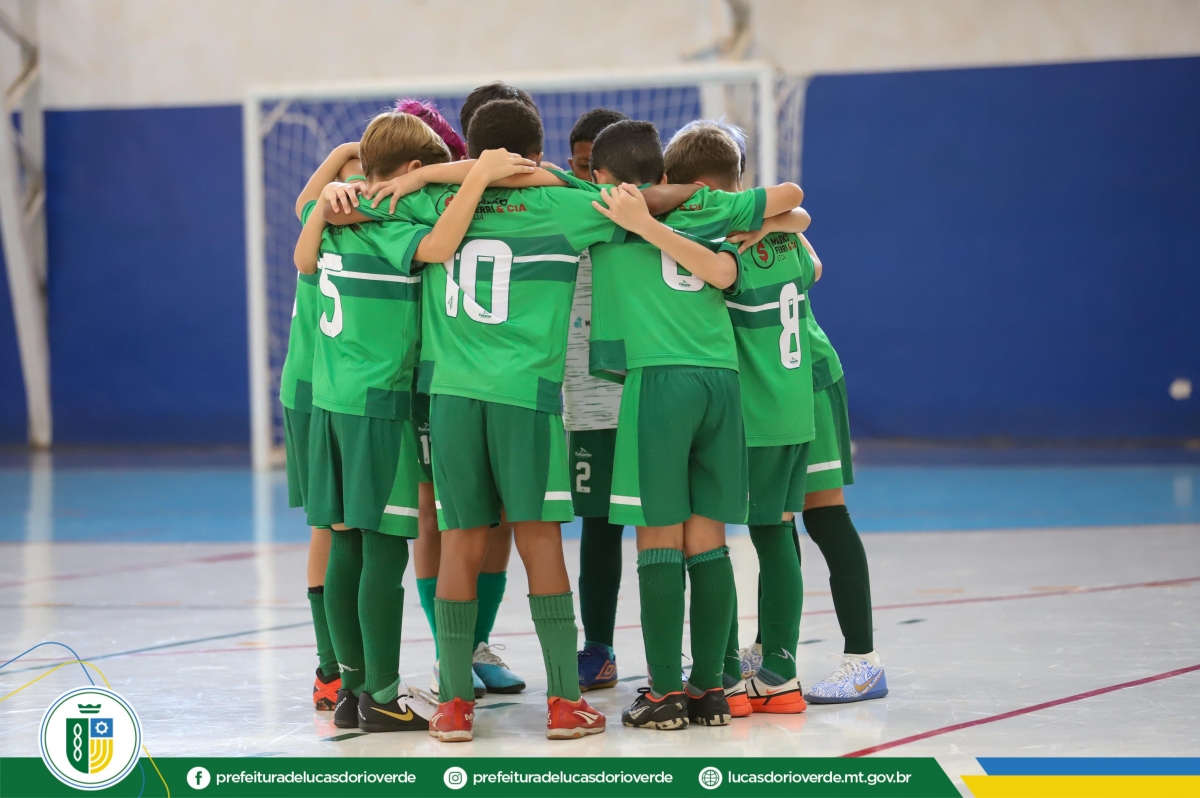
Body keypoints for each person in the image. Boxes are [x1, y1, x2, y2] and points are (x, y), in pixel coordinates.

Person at [331, 97, 622, 742]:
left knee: (460, 540)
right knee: (539, 541)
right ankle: (565, 704)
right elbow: (635, 203)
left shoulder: (434, 202)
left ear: (470, 150)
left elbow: (343, 204)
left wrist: (425, 176)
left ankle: (455, 706)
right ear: (535, 154)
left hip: (452, 398)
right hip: (527, 397)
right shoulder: (568, 206)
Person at [295, 109, 536, 732]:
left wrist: (335, 178)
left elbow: (304, 228)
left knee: (345, 542)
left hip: (329, 401)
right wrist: (476, 177)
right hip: (379, 404)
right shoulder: (389, 218)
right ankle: (381, 694)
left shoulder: (336, 209)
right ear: (411, 170)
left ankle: (350, 689)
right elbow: (440, 246)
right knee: (383, 550)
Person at [579, 119, 804, 730]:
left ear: (603, 175)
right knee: (708, 538)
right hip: (721, 379)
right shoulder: (711, 206)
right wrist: (692, 199)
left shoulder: (602, 210)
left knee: (657, 538)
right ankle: (711, 689)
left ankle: (663, 692)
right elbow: (791, 201)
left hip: (658, 378)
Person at [662, 120, 815, 716]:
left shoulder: (721, 248)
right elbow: (813, 259)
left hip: (747, 416)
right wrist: (773, 223)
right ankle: (780, 672)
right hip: (795, 410)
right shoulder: (788, 239)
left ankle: (724, 672)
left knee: (712, 538)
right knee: (778, 534)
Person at [392, 98, 519, 700]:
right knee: (431, 509)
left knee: (497, 510)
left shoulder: (483, 190)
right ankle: (451, 649)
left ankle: (475, 642)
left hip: (483, 369)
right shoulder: (416, 196)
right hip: (424, 372)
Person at [284, 141, 364, 713]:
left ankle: (354, 664)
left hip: (346, 390)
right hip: (313, 392)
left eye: (363, 182)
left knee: (351, 529)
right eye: (344, 183)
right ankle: (329, 667)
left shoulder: (373, 234)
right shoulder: (319, 231)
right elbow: (305, 204)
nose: (350, 192)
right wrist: (344, 150)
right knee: (328, 526)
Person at [561, 108, 632, 693]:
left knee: (676, 526)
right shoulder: (560, 207)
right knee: (598, 524)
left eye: (606, 169)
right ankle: (599, 647)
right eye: (587, 166)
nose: (597, 180)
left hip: (649, 391)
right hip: (585, 397)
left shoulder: (650, 214)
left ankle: (695, 657)